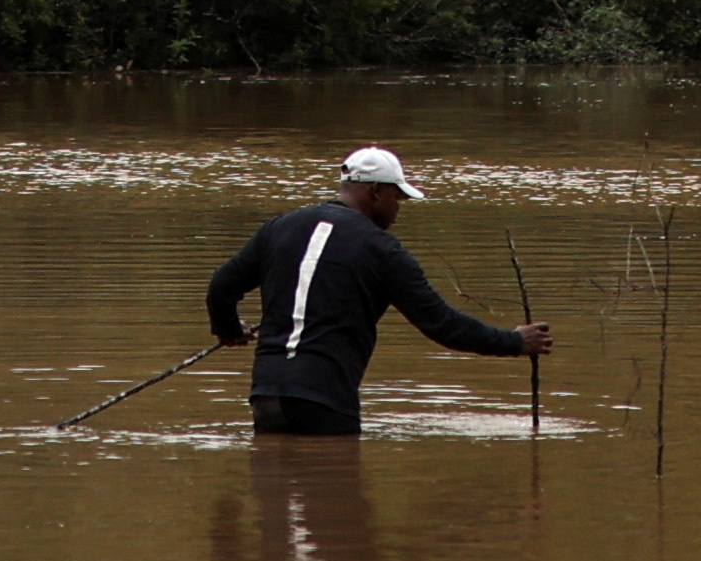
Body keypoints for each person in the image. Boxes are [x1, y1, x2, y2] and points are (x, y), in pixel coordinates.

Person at [203, 145, 549, 436]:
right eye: (396, 197)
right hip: (325, 398)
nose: (397, 209)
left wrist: (228, 330)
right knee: (335, 491)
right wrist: (514, 342)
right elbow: (441, 324)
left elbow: (221, 287)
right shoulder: (382, 250)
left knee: (275, 492)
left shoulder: (278, 228)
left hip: (266, 394)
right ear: (375, 192)